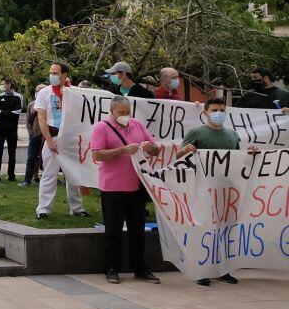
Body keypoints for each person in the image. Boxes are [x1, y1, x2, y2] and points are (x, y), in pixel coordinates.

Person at [180, 96, 259, 287]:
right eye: (214, 110)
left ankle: (222, 269)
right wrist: (186, 150)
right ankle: (201, 269)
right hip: (202, 189)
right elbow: (177, 156)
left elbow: (237, 159)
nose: (218, 114)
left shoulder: (232, 135)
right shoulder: (196, 132)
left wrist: (251, 153)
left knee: (225, 229)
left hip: (226, 189)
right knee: (204, 228)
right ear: (205, 113)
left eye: (222, 110)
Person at [89, 94, 163, 285]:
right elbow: (97, 155)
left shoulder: (137, 125)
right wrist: (122, 150)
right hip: (112, 187)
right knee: (113, 230)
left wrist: (150, 147)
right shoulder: (101, 127)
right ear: (111, 112)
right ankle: (111, 267)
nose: (125, 116)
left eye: (127, 112)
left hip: (136, 186)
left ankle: (140, 267)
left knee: (137, 230)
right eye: (121, 113)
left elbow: (156, 149)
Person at [35, 63, 87, 219]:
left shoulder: (74, 93)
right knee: (49, 174)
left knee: (73, 175)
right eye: (50, 72)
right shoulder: (44, 93)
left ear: (64, 75)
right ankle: (43, 209)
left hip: (70, 138)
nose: (52, 75)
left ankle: (77, 208)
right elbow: (41, 118)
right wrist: (49, 140)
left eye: (55, 73)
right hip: (53, 136)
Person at [0, 78, 24, 182]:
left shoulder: (18, 97)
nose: (2, 86)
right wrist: (7, 113)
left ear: (9, 84)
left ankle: (11, 175)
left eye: (4, 84)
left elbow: (16, 113)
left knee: (12, 152)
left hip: (12, 129)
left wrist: (2, 112)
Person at [20, 84, 46, 187]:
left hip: (46, 136)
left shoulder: (50, 105)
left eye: (40, 91)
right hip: (34, 135)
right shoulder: (31, 105)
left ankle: (45, 180)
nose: (38, 92)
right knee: (31, 158)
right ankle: (27, 180)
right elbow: (28, 121)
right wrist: (30, 133)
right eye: (37, 90)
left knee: (45, 159)